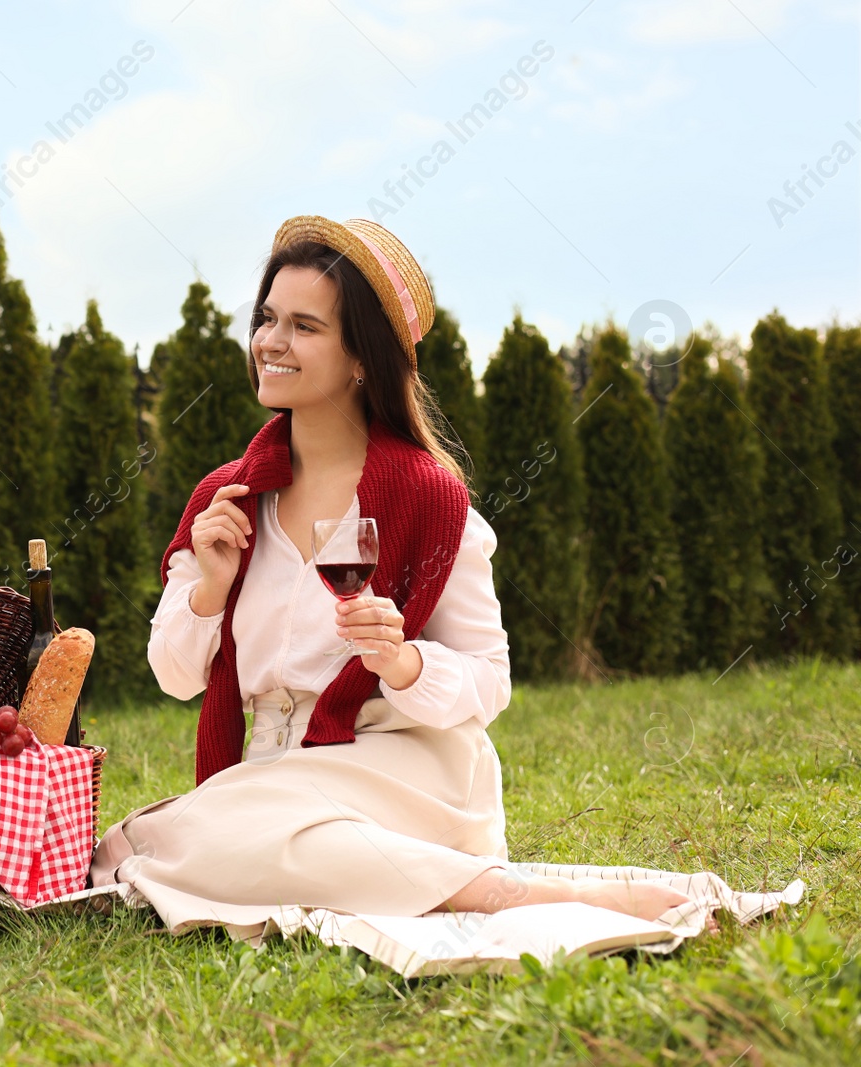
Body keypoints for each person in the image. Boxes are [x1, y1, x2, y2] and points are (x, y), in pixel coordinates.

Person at [88, 215, 690, 926]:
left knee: (172, 844)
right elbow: (176, 677)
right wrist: (210, 593)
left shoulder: (433, 501)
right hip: (274, 779)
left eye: (305, 326)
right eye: (267, 318)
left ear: (361, 359)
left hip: (406, 766)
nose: (271, 343)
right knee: (141, 843)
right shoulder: (229, 501)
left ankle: (533, 896)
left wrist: (402, 662)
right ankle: (453, 884)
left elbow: (489, 681)